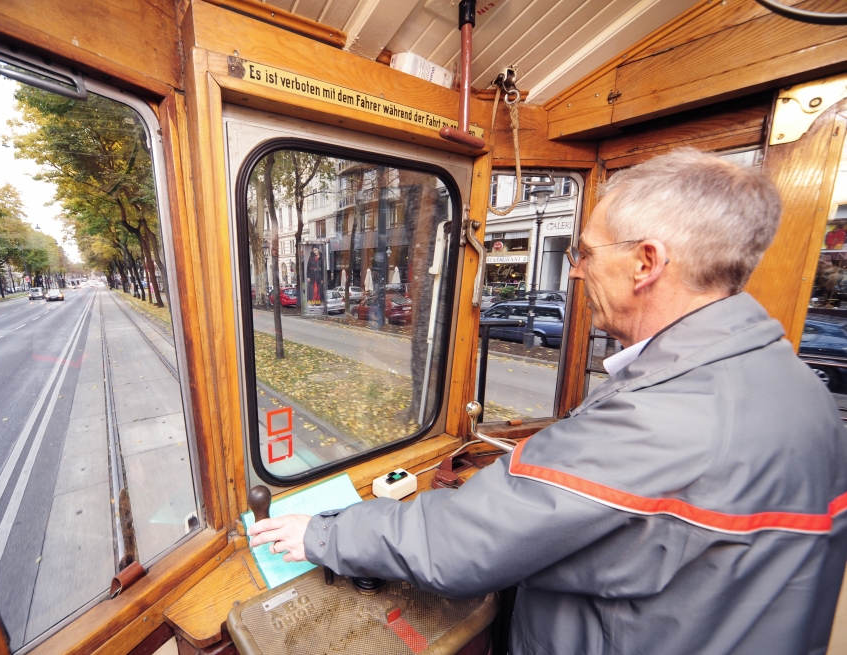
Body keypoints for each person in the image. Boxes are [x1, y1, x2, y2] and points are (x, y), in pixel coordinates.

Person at [248, 149, 847, 654]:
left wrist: (321, 536)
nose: (578, 272)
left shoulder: (662, 416)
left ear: (646, 263)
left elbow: (465, 543)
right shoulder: (800, 391)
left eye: (587, 252)